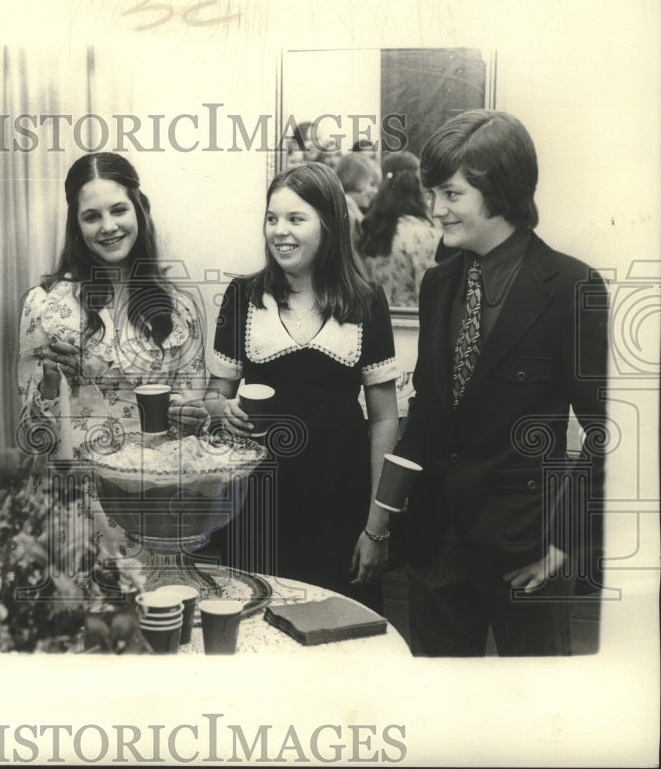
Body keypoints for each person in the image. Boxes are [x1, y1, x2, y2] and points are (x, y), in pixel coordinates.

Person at [376, 110, 609, 656]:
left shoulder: (572, 286)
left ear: (499, 191)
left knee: (536, 725)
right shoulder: (437, 284)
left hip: (527, 552)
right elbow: (427, 415)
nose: (436, 210)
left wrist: (562, 544)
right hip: (437, 552)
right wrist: (382, 524)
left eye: (452, 195)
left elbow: (611, 430)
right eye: (434, 193)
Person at [207, 162, 400, 611]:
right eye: (272, 219)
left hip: (340, 508)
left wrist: (377, 527)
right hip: (257, 506)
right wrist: (222, 411)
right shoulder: (243, 296)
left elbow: (386, 419)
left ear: (330, 224)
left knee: (338, 641)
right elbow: (217, 396)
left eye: (296, 219)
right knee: (256, 631)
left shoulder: (366, 302)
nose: (280, 231)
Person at [17, 152, 209, 556]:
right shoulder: (45, 304)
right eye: (92, 216)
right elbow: (31, 435)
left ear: (139, 210)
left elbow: (193, 427)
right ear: (76, 224)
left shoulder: (180, 309)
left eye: (119, 210)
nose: (108, 227)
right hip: (73, 507)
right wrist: (52, 383)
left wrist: (190, 414)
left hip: (153, 504)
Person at [357, 151, 441, 307]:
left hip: (381, 320)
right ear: (418, 184)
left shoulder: (374, 228)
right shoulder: (423, 234)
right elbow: (432, 296)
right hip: (413, 322)